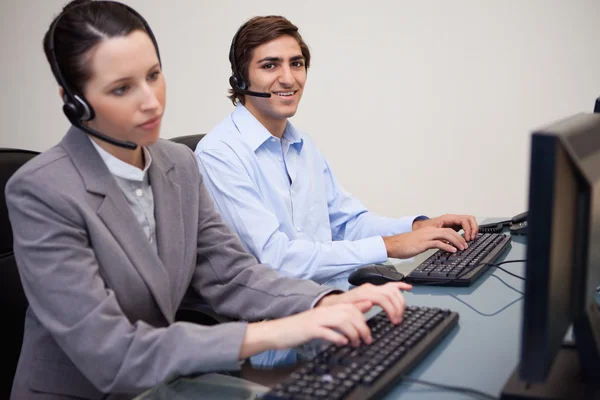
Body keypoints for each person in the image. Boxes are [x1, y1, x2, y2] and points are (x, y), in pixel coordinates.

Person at [5, 2, 412, 399]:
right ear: (73, 100)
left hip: (163, 383)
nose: (151, 101)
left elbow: (233, 274)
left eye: (153, 75)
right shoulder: (41, 191)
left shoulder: (177, 164)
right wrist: (278, 330)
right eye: (122, 88)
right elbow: (111, 352)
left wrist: (325, 300)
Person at [194, 16, 480, 284]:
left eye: (296, 63)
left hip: (336, 298)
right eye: (270, 65)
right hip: (281, 317)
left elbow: (348, 223)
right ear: (240, 80)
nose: (289, 78)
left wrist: (417, 227)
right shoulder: (220, 154)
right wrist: (390, 246)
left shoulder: (301, 145)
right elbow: (276, 260)